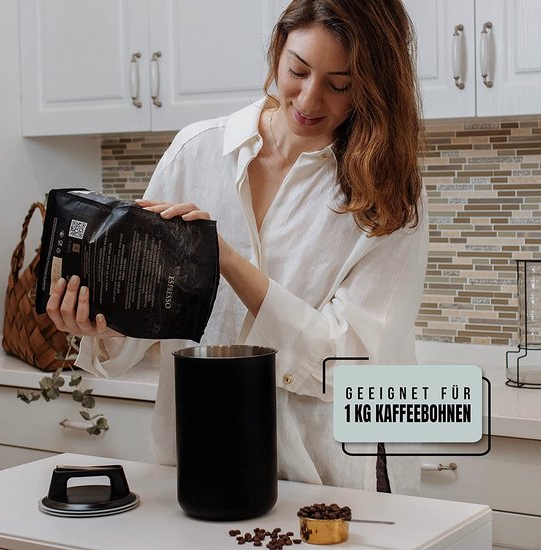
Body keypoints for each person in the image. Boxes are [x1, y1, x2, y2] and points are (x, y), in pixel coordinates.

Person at [47, 0, 428, 495]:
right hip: (200, 468)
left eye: (340, 84)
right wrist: (98, 325)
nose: (310, 100)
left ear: (374, 87)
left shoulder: (388, 193)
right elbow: (142, 330)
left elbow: (348, 365)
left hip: (329, 484)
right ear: (277, 51)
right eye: (298, 70)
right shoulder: (196, 152)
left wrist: (224, 258)